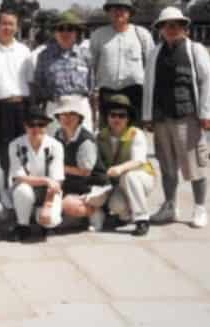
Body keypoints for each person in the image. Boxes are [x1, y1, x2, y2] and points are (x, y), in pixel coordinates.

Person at [143, 7, 210, 229]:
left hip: (187, 115)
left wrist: (206, 114)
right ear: (160, 29)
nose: (171, 29)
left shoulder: (195, 50)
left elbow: (206, 82)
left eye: (176, 25)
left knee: (194, 164)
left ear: (184, 28)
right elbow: (149, 85)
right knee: (167, 166)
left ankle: (200, 208)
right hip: (161, 116)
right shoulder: (155, 53)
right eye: (166, 25)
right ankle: (170, 206)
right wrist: (147, 115)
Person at [0, 9, 33, 180]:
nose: (7, 28)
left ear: (17, 27)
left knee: (25, 148)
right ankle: (3, 187)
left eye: (11, 24)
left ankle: (24, 184)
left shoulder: (24, 51)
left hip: (22, 106)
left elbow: (31, 81)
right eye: (4, 23)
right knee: (1, 150)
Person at [95, 95, 157, 237]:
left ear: (128, 118)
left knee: (130, 176)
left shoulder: (136, 133)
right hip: (118, 182)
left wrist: (120, 168)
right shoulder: (100, 136)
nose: (117, 119)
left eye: (122, 115)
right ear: (107, 117)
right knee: (115, 205)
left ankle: (142, 219)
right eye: (113, 115)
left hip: (142, 178)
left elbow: (139, 161)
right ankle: (125, 216)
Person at [88, 0, 154, 126]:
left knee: (134, 132)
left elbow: (151, 65)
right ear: (108, 13)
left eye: (123, 9)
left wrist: (150, 95)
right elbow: (91, 65)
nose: (118, 12)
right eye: (114, 9)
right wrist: (92, 91)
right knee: (107, 132)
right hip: (107, 92)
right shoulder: (98, 35)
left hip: (134, 92)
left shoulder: (141, 34)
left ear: (129, 13)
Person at [31, 10, 93, 133]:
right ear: (55, 33)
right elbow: (39, 85)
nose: (65, 33)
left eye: (70, 29)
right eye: (60, 29)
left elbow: (92, 85)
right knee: (55, 142)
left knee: (84, 141)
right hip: (55, 105)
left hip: (80, 105)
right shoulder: (44, 56)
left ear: (76, 32)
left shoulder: (86, 55)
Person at [52, 95, 109, 230]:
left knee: (65, 204)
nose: (67, 118)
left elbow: (85, 172)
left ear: (79, 117)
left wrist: (59, 168)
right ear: (58, 117)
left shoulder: (85, 140)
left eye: (72, 114)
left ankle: (95, 212)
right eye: (63, 114)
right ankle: (78, 217)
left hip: (94, 187)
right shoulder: (58, 135)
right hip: (75, 186)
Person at [8, 108, 65, 241]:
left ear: (47, 126)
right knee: (23, 190)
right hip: (25, 189)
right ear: (25, 126)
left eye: (41, 124)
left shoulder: (56, 146)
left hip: (48, 192)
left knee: (51, 219)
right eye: (31, 124)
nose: (36, 128)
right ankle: (23, 225)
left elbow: (57, 181)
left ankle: (44, 224)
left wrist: (48, 206)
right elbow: (19, 177)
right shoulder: (15, 145)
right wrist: (46, 180)